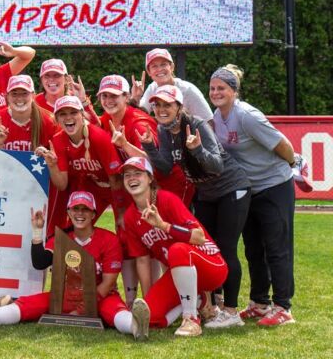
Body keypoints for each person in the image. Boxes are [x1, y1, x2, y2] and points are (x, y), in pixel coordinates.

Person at [0, 191, 150, 341]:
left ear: (93, 213)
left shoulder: (108, 240)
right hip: (64, 296)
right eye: (75, 209)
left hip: (100, 295)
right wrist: (37, 232)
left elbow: (107, 283)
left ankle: (135, 327)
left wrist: (81, 311)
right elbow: (40, 262)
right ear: (68, 212)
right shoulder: (62, 238)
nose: (80, 213)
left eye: (85, 209)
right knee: (26, 305)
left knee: (114, 310)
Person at [139, 85, 251, 328]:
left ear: (180, 107)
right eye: (157, 105)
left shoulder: (197, 125)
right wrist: (149, 146)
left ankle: (231, 312)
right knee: (210, 248)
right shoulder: (163, 130)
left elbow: (217, 166)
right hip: (207, 194)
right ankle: (216, 306)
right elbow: (167, 167)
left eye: (167, 104)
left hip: (232, 188)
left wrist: (197, 149)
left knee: (227, 247)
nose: (161, 109)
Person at [210, 65, 297, 327]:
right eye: (213, 88)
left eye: (222, 88)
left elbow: (283, 144)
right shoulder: (217, 115)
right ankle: (260, 303)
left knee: (277, 248)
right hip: (248, 189)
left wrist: (292, 164)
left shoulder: (247, 115)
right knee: (253, 249)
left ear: (234, 91)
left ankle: (283, 307)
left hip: (274, 185)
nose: (216, 93)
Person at [121, 157, 227, 337]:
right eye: (127, 175)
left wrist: (163, 225)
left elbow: (199, 238)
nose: (132, 178)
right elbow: (142, 260)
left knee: (176, 250)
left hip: (211, 266)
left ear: (149, 178)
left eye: (138, 174)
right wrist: (148, 301)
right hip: (180, 275)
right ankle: (199, 300)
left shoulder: (167, 200)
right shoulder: (131, 217)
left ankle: (191, 318)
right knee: (151, 317)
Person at [98, 74, 193, 206]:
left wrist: (125, 145)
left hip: (169, 184)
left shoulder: (139, 125)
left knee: (172, 225)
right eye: (104, 96)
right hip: (145, 183)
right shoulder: (108, 118)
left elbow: (151, 162)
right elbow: (92, 126)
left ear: (126, 97)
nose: (108, 100)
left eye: (114, 96)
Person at [36, 96, 125, 236]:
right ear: (57, 119)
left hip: (114, 187)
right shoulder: (58, 140)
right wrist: (52, 166)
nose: (68, 118)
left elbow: (116, 179)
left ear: (82, 114)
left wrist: (120, 212)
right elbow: (62, 185)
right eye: (63, 114)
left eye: (73, 112)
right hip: (91, 186)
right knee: (76, 228)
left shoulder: (98, 137)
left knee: (124, 228)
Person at [130, 48, 213, 121]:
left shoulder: (188, 89)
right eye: (154, 66)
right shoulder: (152, 88)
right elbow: (140, 116)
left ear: (172, 67)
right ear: (149, 72)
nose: (159, 69)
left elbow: (208, 121)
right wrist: (135, 98)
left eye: (163, 64)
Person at [0, 75, 58, 151]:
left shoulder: (49, 120)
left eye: (24, 93)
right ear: (7, 96)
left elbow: (58, 157)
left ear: (33, 95)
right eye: (14, 94)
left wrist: (46, 154)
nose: (19, 98)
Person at [34, 59, 102, 123]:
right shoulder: (35, 102)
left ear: (66, 79)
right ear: (41, 80)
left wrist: (83, 101)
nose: (51, 79)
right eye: (47, 76)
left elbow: (96, 126)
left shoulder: (77, 98)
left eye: (57, 75)